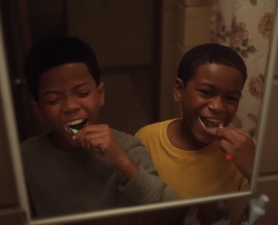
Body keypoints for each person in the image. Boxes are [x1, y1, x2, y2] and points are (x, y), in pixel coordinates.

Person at [21, 36, 179, 218]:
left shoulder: (128, 148)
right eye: (54, 100)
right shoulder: (28, 156)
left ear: (100, 95)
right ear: (39, 110)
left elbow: (176, 214)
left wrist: (123, 162)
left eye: (82, 93)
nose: (71, 106)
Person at [135, 43, 255, 199]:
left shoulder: (246, 151)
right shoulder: (146, 140)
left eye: (231, 98)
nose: (218, 107)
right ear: (179, 90)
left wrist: (253, 170)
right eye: (206, 92)